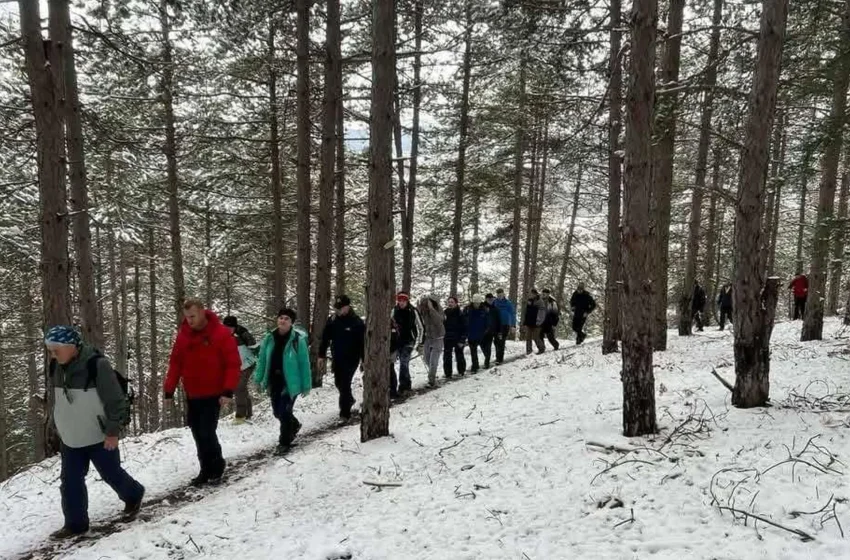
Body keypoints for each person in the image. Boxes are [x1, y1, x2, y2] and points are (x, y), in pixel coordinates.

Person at [45, 326, 145, 539]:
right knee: (70, 481)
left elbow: (115, 401)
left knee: (111, 473)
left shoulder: (97, 365)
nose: (52, 354)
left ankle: (134, 494)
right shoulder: (55, 366)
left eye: (56, 349)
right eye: (50, 350)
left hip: (99, 435)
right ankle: (75, 524)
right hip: (71, 436)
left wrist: (112, 432)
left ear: (71, 346)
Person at [165, 298, 241, 486]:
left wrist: (227, 391)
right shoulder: (183, 336)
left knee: (207, 431)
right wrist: (169, 389)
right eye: (186, 317)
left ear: (201, 312)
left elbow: (233, 364)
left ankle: (216, 465)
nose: (189, 320)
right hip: (192, 393)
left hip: (214, 393)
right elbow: (176, 363)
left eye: (192, 316)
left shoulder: (221, 333)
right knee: (197, 432)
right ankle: (205, 469)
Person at [254, 308, 313, 454]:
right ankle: (294, 425)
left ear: (291, 322)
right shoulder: (269, 338)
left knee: (284, 411)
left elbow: (304, 364)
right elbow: (262, 360)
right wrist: (258, 378)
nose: (283, 321)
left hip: (290, 383)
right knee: (277, 412)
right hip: (274, 381)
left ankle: (284, 442)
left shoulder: (297, 340)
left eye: (286, 318)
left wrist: (306, 385)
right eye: (281, 317)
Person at [319, 295, 365, 419]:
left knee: (344, 383)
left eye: (341, 308)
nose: (338, 310)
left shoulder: (357, 322)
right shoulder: (332, 320)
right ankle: (349, 400)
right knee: (338, 383)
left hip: (352, 358)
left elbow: (363, 343)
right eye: (337, 308)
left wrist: (364, 360)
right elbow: (325, 338)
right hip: (337, 357)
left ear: (347, 307)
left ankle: (344, 413)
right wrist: (321, 355)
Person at [222, 316, 257, 423]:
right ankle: (248, 413)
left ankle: (240, 416)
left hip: (247, 364)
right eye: (226, 327)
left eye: (230, 327)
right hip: (236, 366)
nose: (228, 330)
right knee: (241, 389)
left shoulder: (242, 333)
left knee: (238, 387)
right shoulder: (222, 335)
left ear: (235, 327)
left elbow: (254, 346)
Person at [391, 291, 423, 395]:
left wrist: (420, 342)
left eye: (403, 300)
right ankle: (407, 383)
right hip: (398, 341)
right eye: (399, 300)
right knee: (404, 363)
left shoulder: (413, 311)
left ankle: (403, 386)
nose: (401, 302)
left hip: (410, 340)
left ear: (407, 300)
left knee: (404, 362)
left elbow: (421, 327)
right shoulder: (394, 310)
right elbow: (389, 323)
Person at [418, 294, 446, 387]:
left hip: (438, 338)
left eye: (426, 304)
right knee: (427, 358)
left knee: (433, 360)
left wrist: (431, 309)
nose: (424, 306)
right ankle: (432, 373)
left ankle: (431, 380)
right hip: (428, 338)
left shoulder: (438, 310)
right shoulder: (424, 312)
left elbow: (439, 320)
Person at [443, 296, 468, 378]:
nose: (450, 304)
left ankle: (461, 371)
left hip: (458, 338)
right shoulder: (445, 313)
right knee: (447, 356)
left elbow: (465, 328)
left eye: (452, 302)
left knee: (459, 355)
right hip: (447, 338)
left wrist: (462, 340)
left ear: (456, 303)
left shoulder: (460, 314)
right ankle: (448, 373)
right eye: (449, 302)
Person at [465, 294, 489, 373]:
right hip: (471, 333)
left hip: (481, 333)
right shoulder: (467, 309)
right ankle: (475, 366)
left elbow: (487, 321)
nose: (477, 304)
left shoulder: (484, 309)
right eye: (475, 303)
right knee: (473, 351)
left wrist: (486, 330)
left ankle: (487, 361)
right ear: (473, 302)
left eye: (478, 303)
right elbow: (463, 320)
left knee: (484, 349)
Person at [492, 288, 516, 364]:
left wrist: (513, 325)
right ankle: (498, 356)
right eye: (498, 295)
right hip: (496, 325)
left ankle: (499, 359)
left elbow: (512, 314)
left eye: (500, 294)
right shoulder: (494, 302)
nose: (499, 296)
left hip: (505, 325)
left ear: (503, 294)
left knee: (501, 341)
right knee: (496, 341)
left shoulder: (508, 303)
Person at [523, 289, 547, 355]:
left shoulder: (540, 301)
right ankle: (529, 351)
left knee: (536, 337)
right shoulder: (529, 301)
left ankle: (541, 348)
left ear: (535, 294)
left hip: (537, 323)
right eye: (529, 294)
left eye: (531, 294)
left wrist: (539, 321)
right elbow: (527, 312)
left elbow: (542, 313)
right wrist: (525, 322)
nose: (530, 295)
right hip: (529, 322)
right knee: (528, 337)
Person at [483, 293, 503, 369]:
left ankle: (487, 363)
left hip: (494, 330)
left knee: (493, 346)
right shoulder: (482, 307)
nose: (491, 301)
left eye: (492, 299)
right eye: (489, 299)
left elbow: (499, 321)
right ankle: (487, 360)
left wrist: (500, 331)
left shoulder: (495, 309)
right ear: (486, 299)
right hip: (485, 330)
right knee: (485, 346)